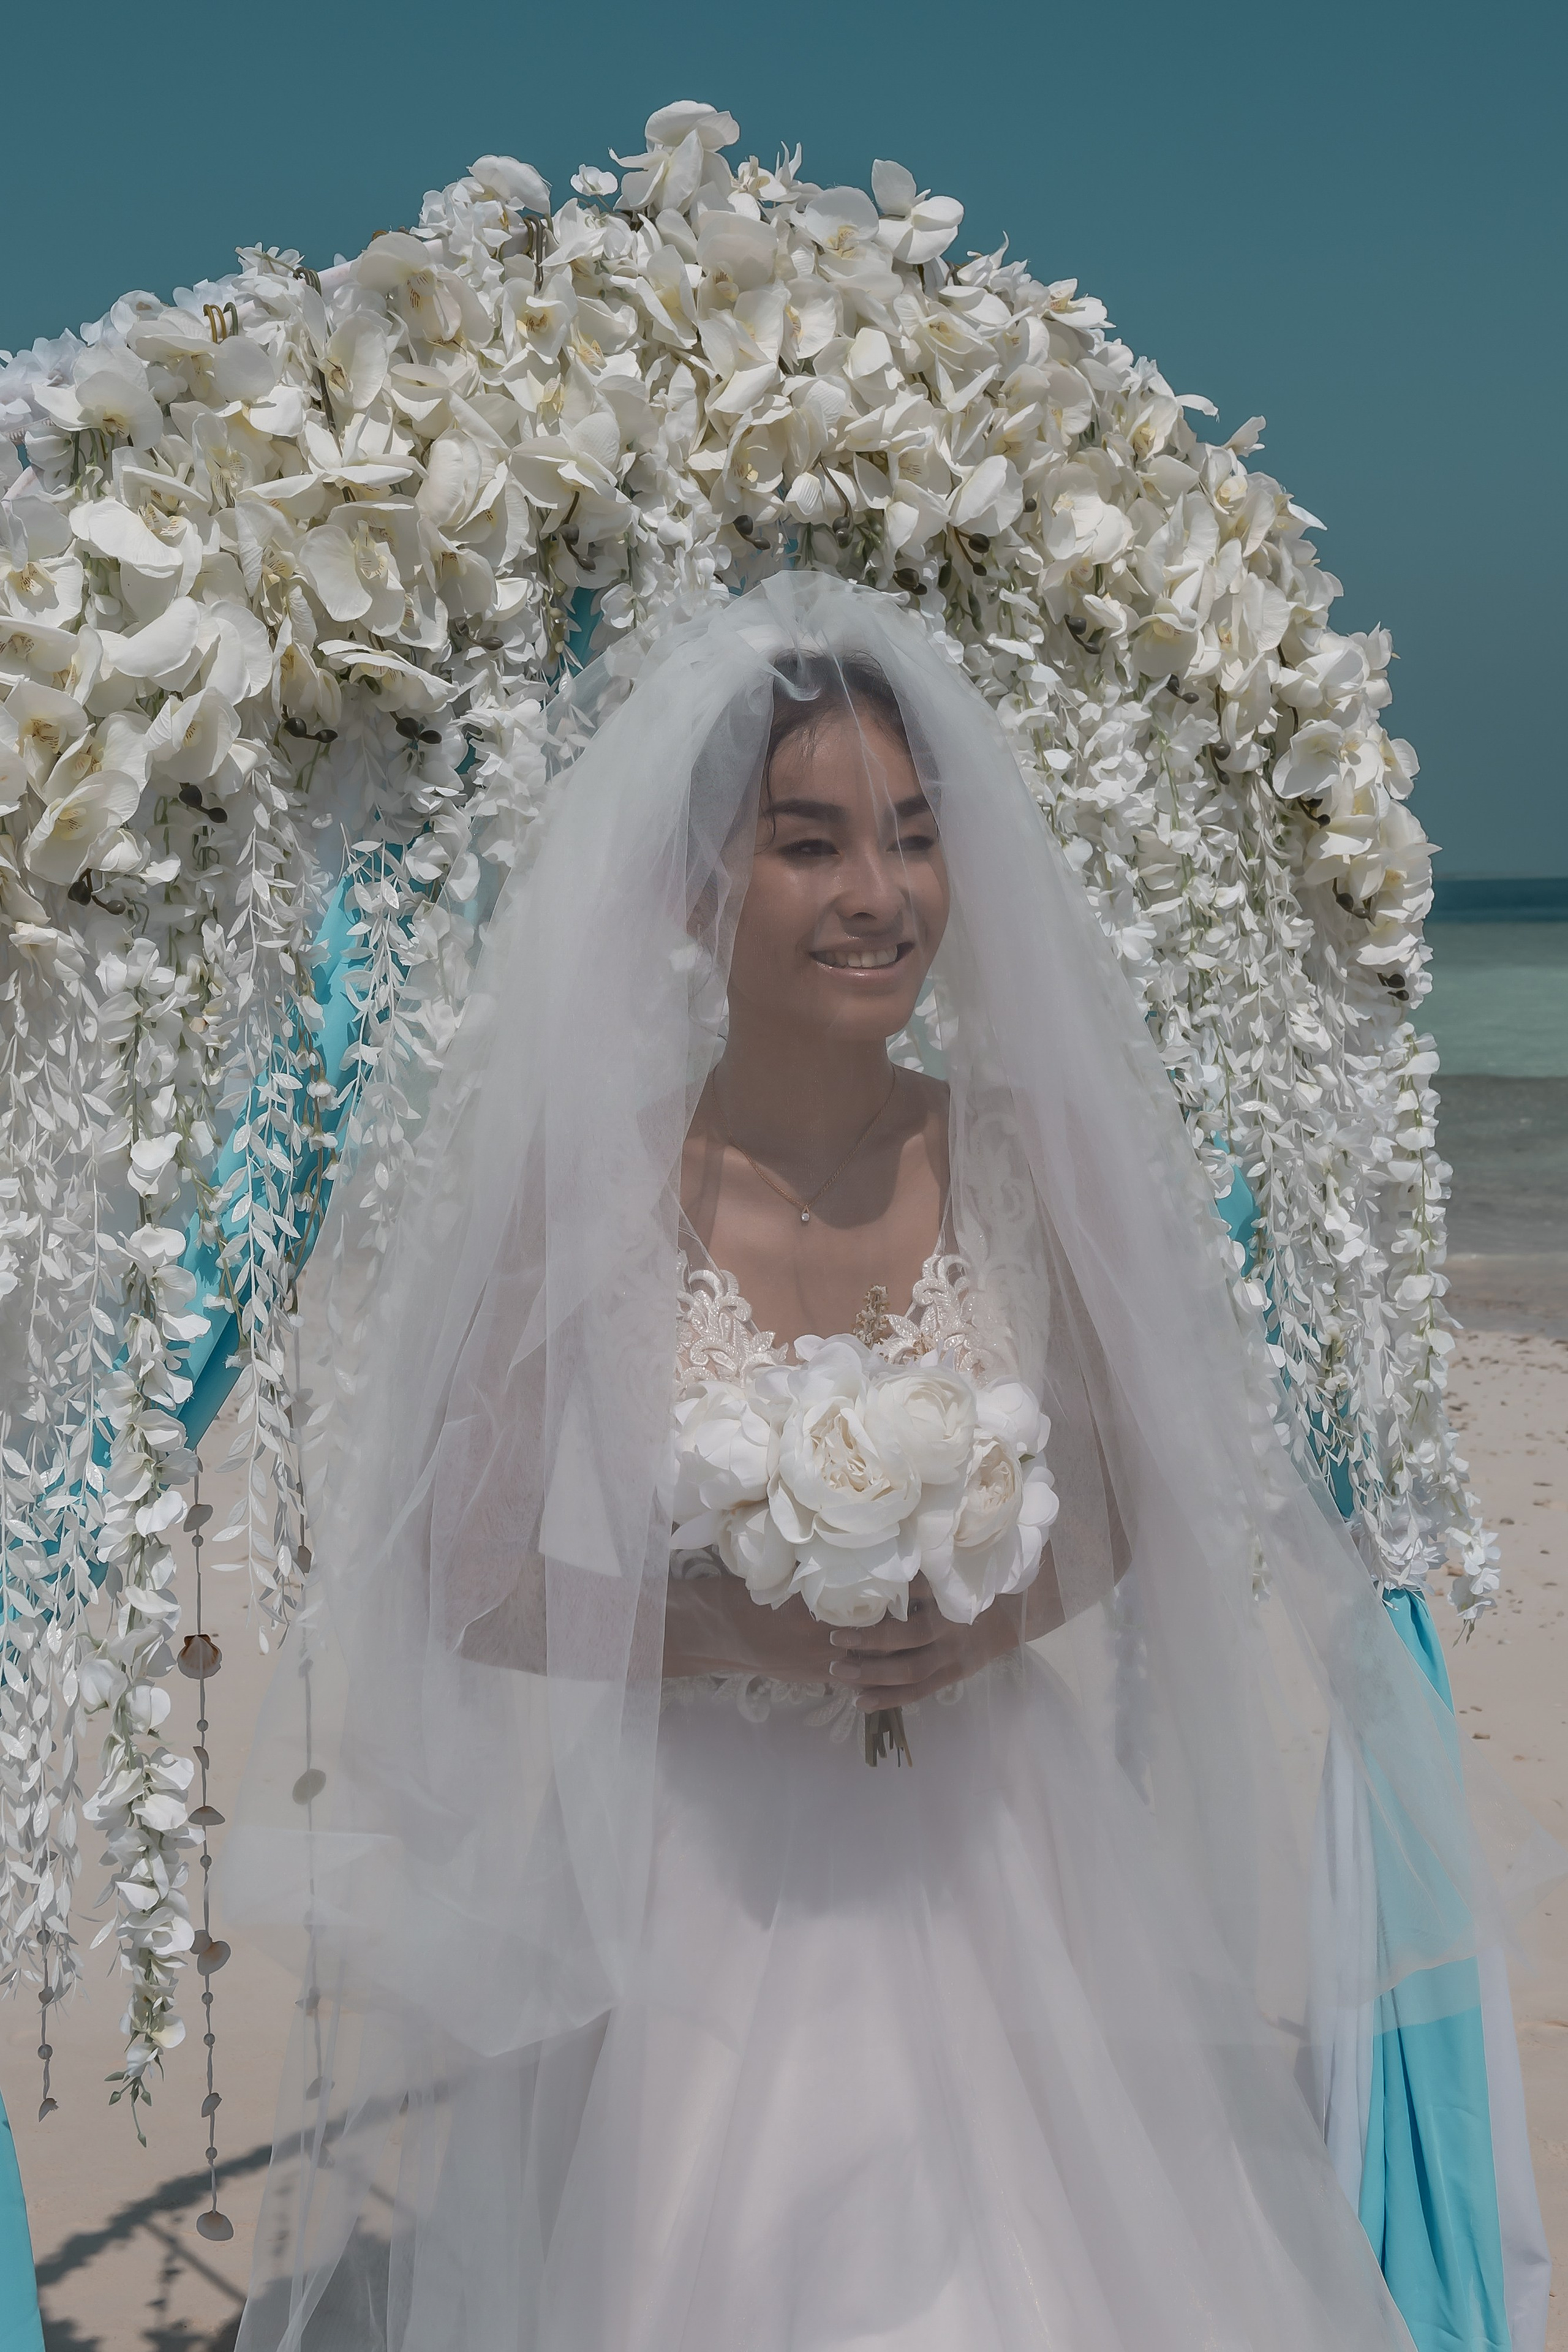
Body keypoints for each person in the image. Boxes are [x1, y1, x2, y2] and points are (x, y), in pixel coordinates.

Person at [226, 571, 1533, 2350]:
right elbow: (468, 1569)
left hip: (1004, 1848)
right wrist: (731, 1633)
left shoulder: (1013, 1155)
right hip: (704, 1886)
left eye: (914, 839)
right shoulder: (596, 1191)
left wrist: (993, 1624)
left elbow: (1129, 1501)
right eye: (810, 844)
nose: (878, 895)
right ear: (697, 893)